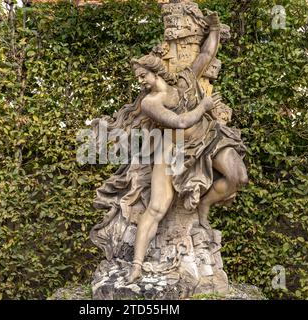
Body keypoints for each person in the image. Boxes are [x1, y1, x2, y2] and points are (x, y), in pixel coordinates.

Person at [90, 12, 247, 284]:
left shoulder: (186, 80)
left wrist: (214, 28)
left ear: (155, 71)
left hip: (208, 138)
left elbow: (207, 53)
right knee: (156, 209)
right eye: (138, 77)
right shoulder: (151, 102)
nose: (139, 80)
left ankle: (205, 205)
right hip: (172, 150)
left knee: (239, 177)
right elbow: (179, 121)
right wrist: (204, 106)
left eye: (142, 75)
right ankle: (136, 265)